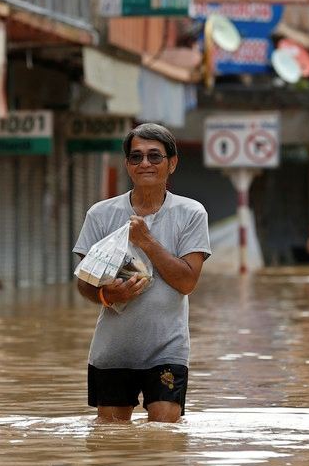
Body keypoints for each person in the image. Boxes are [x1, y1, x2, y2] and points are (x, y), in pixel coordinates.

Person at [73, 123, 211, 424]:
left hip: (167, 349)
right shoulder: (101, 214)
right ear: (127, 165)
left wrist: (146, 241)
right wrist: (104, 294)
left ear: (172, 163)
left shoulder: (191, 214)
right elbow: (84, 281)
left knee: (163, 438)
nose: (145, 163)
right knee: (110, 440)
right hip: (112, 350)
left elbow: (187, 282)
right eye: (136, 157)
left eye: (154, 156)